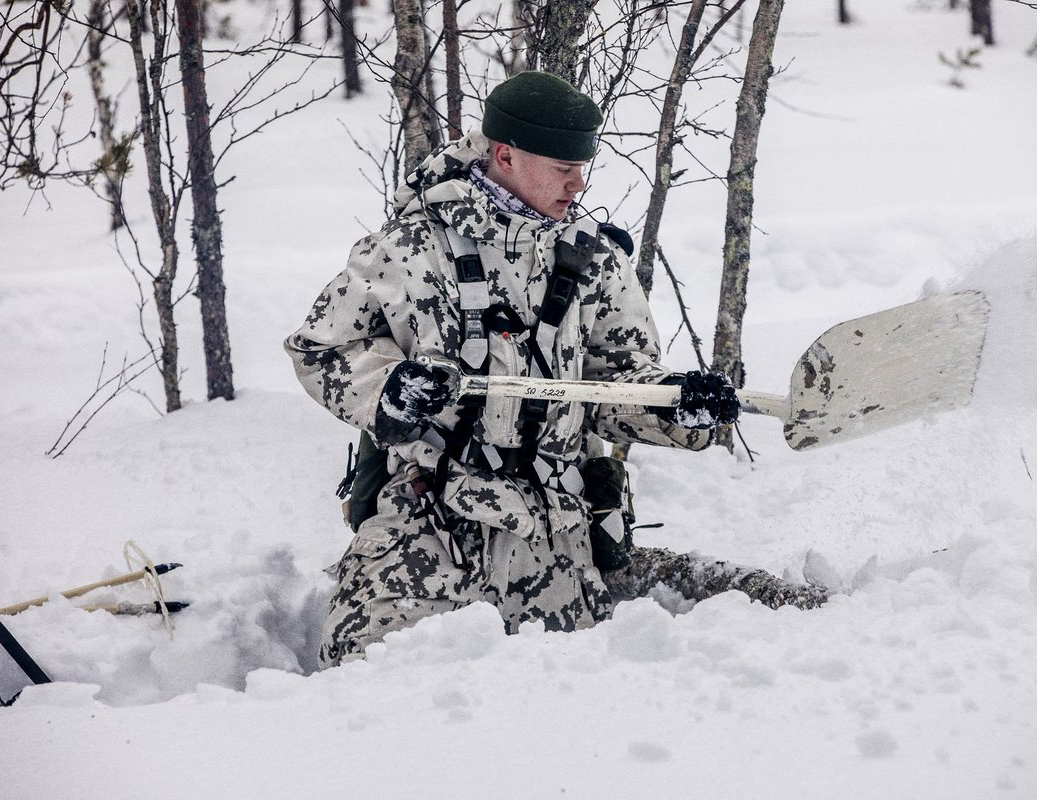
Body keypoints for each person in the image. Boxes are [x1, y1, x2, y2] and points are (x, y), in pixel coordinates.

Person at [285, 71, 740, 667]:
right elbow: (319, 349)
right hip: (430, 521)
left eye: (584, 167)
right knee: (363, 672)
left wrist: (676, 404)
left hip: (557, 531)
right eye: (562, 168)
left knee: (565, 692)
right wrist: (388, 392)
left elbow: (618, 382)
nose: (579, 185)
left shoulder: (593, 260)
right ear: (505, 155)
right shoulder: (407, 249)